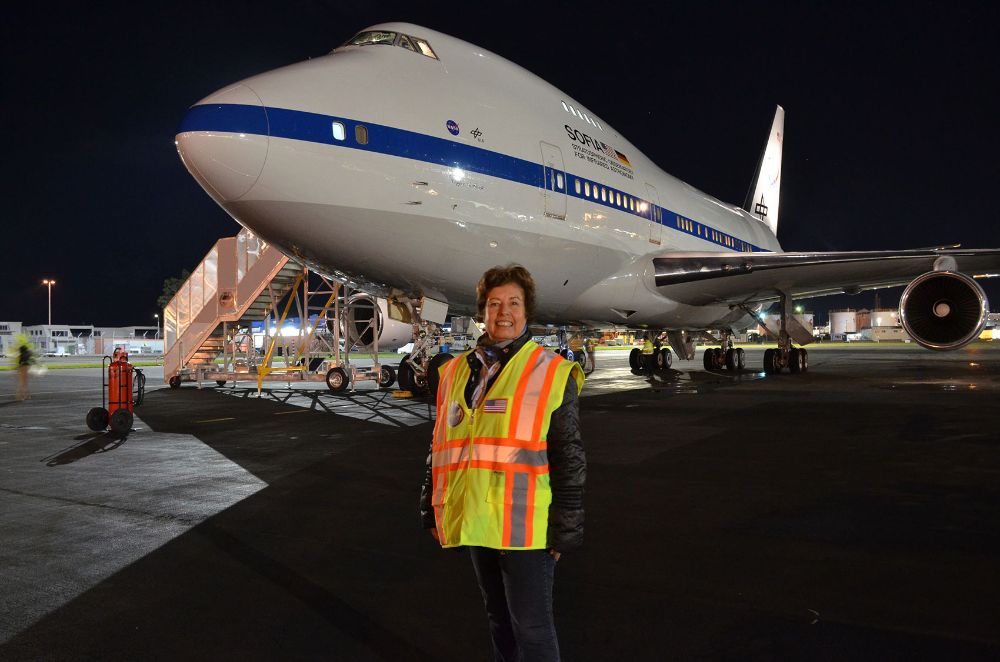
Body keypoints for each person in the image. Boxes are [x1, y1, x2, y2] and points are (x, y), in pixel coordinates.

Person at [420, 264, 585, 662]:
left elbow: (569, 455)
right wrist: (431, 507)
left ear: (527, 311)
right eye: (494, 304)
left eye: (513, 303)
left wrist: (565, 529)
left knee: (532, 629)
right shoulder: (457, 370)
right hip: (478, 519)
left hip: (527, 530)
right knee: (498, 622)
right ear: (483, 312)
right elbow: (440, 444)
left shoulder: (550, 371)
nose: (503, 312)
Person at [15, 335, 35, 401]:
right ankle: (23, 396)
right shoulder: (27, 354)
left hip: (22, 368)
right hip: (25, 368)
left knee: (22, 383)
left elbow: (20, 363)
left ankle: (22, 396)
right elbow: (31, 356)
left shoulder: (21, 355)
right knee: (24, 383)